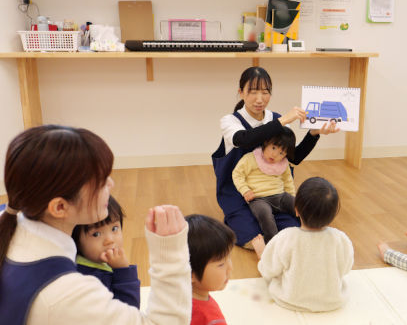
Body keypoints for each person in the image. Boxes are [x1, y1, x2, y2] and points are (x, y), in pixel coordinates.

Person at [0, 125, 191, 325]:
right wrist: (169, 254)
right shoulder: (65, 297)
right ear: (59, 207)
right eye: (100, 182)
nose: (111, 184)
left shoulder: (9, 218)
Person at [212, 66, 339, 248]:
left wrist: (314, 133)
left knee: (293, 230)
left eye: (265, 93)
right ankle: (237, 220)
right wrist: (282, 121)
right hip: (242, 194)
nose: (259, 99)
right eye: (253, 92)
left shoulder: (276, 118)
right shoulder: (230, 121)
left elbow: (293, 158)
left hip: (274, 192)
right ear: (241, 92)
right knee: (253, 237)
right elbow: (244, 140)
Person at [253, 177, 354, 312]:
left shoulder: (286, 237)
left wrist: (262, 253)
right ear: (334, 213)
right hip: (332, 301)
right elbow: (345, 269)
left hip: (290, 300)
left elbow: (267, 270)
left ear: (296, 210)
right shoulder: (341, 239)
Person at [72, 196, 140, 308]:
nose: (110, 240)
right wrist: (123, 271)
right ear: (75, 240)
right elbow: (129, 311)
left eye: (114, 229)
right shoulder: (93, 278)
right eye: (96, 234)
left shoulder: (85, 262)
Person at [232, 127, 297, 243]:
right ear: (266, 143)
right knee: (265, 215)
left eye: (281, 152)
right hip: (259, 199)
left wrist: (292, 197)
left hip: (281, 196)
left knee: (300, 207)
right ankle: (272, 242)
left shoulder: (283, 164)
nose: (275, 154)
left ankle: (314, 228)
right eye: (273, 148)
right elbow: (237, 174)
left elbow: (288, 181)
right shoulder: (251, 158)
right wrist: (245, 190)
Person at [185, 214, 236, 325]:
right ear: (190, 274)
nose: (230, 268)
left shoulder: (169, 300)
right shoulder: (212, 319)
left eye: (229, 258)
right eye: (221, 264)